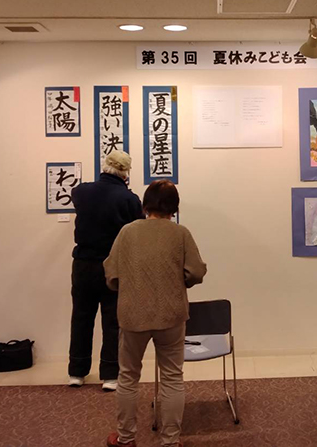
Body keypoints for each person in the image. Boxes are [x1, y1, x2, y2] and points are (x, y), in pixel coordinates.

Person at [104, 180, 207, 447]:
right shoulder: (180, 233)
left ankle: (126, 438)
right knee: (172, 378)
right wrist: (180, 281)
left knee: (128, 377)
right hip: (171, 314)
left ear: (145, 205)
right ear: (174, 208)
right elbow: (196, 272)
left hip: (132, 315)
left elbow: (111, 275)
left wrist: (129, 285)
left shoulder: (127, 232)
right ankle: (170, 441)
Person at [68, 150, 143, 390]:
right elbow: (137, 227)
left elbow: (76, 194)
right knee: (112, 320)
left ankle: (76, 372)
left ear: (104, 167)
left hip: (82, 265)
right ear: (125, 173)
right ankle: (110, 375)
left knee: (81, 317)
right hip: (113, 265)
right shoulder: (129, 199)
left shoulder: (82, 192)